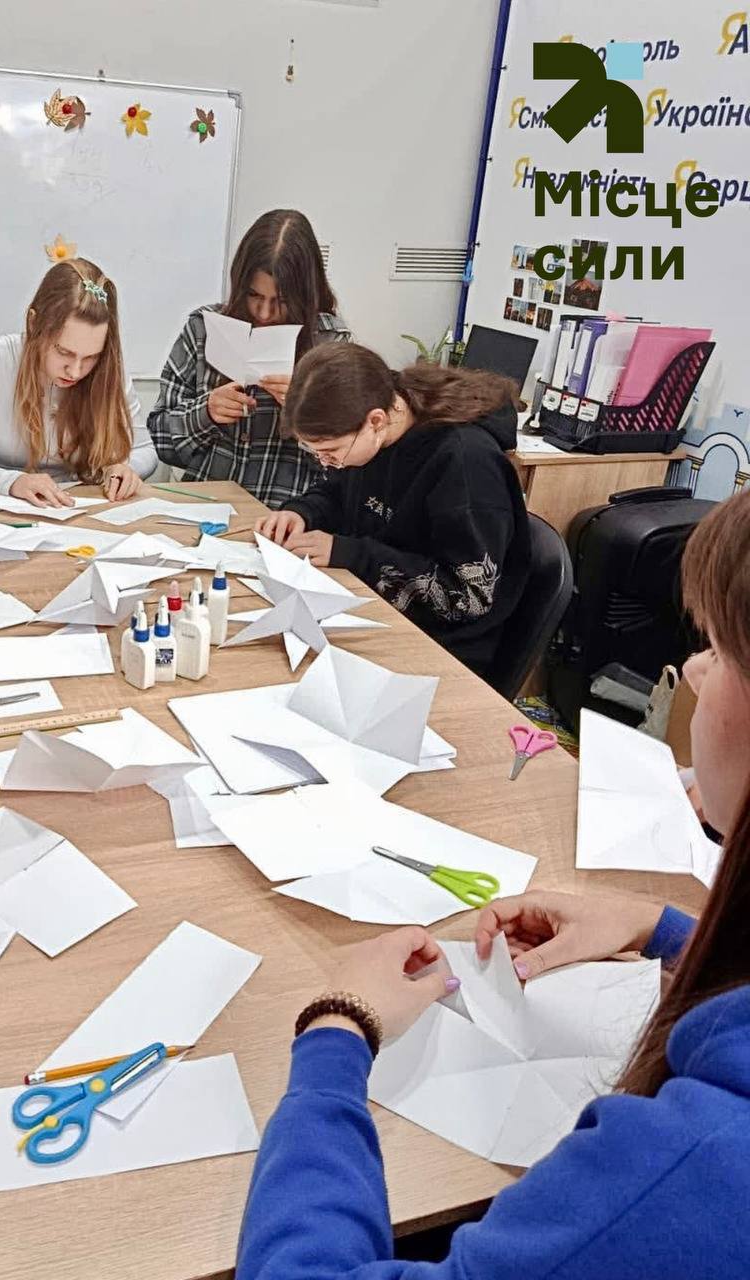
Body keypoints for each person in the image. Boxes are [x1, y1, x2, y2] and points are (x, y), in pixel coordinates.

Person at [236, 488, 750, 1279]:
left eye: (719, 650)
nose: (695, 674)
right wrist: (661, 928)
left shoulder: (694, 1170)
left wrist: (335, 1032)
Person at [256, 342, 531, 675]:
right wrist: (302, 512)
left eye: (331, 452)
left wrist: (352, 554)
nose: (327, 463)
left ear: (376, 421)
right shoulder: (373, 427)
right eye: (315, 452)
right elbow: (339, 492)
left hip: (441, 648)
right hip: (370, 606)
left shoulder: (464, 461)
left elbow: (467, 597)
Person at [0, 259, 157, 505]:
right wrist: (10, 482)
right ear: (33, 323)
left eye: (91, 357)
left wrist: (124, 469)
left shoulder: (109, 372)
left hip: (78, 508)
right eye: (63, 351)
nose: (75, 371)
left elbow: (146, 451)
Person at [147, 209, 350, 508]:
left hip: (284, 515)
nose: (265, 313)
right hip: (203, 508)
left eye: (281, 301)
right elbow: (158, 440)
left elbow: (347, 465)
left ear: (304, 294)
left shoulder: (330, 343)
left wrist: (304, 413)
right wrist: (206, 412)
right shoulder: (204, 328)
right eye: (254, 295)